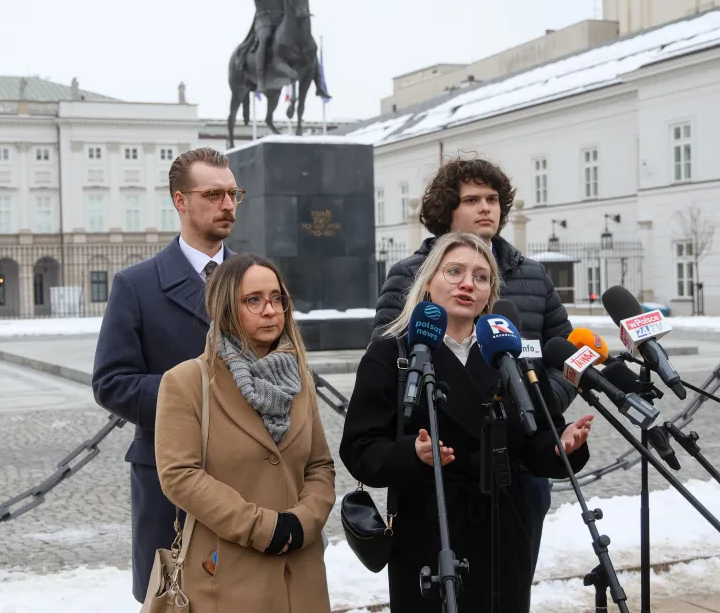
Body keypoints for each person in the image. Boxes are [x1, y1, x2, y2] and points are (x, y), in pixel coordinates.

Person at [341, 231, 593, 613]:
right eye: (454, 271)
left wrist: (564, 443)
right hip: (429, 533)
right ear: (428, 282)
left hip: (503, 532)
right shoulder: (392, 352)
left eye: (480, 276)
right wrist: (413, 453)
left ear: (490, 291)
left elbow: (537, 439)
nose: (467, 284)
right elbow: (360, 449)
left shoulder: (507, 352)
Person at [370, 155, 572, 573]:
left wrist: (535, 405)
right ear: (447, 210)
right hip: (438, 469)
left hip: (520, 463)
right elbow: (387, 367)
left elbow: (567, 354)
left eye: (493, 199)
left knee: (510, 578)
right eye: (473, 199)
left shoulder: (532, 275)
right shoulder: (409, 275)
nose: (487, 208)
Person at [91, 146, 244, 604]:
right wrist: (195, 396)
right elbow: (111, 382)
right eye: (214, 194)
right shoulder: (136, 285)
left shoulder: (254, 278)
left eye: (234, 193)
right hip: (170, 478)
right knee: (175, 600)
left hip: (249, 475)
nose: (228, 204)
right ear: (180, 201)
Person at [156, 253, 335, 613]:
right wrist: (263, 527)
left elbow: (319, 466)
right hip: (225, 575)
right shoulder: (187, 381)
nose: (269, 310)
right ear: (225, 308)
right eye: (253, 300)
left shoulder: (298, 378)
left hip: (300, 574)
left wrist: (304, 521)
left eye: (277, 298)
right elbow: (179, 475)